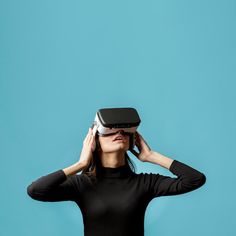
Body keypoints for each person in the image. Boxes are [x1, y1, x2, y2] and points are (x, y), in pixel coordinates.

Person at [27, 128, 206, 236]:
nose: (118, 133)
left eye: (123, 130)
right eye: (110, 131)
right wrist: (81, 164)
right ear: (94, 141)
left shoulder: (144, 182)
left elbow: (194, 179)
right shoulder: (82, 184)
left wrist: (151, 156)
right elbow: (36, 190)